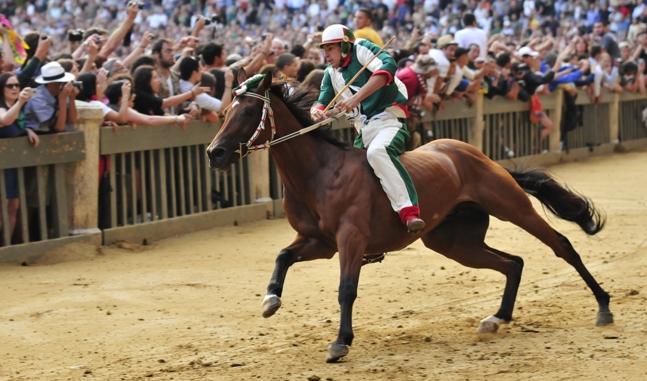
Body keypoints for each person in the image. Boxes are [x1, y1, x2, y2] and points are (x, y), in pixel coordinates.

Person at [309, 24, 424, 232]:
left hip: (389, 119)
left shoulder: (361, 48)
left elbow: (387, 66)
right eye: (324, 50)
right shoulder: (330, 73)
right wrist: (316, 111)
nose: (326, 55)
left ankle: (409, 211)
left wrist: (355, 99)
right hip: (363, 130)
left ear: (344, 47)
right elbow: (321, 101)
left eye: (330, 48)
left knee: (378, 152)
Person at [0, 73, 38, 243]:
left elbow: (17, 126)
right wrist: (21, 102)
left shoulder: (19, 106)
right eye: (10, 86)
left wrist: (27, 131)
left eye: (17, 85)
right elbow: (6, 120)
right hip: (2, 165)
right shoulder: (4, 106)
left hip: (13, 165)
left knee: (13, 206)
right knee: (2, 208)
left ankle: (6, 246)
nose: (15, 88)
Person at [23, 61, 78, 133]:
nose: (65, 84)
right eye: (62, 82)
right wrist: (62, 100)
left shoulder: (60, 93)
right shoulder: (36, 97)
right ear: (51, 83)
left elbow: (72, 121)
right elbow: (58, 128)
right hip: (36, 135)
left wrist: (72, 98)